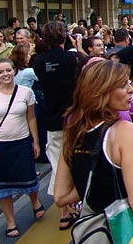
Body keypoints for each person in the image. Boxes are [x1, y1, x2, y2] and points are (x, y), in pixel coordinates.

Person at [54, 60, 133, 217]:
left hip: (91, 229)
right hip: (122, 228)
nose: (131, 89)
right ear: (101, 92)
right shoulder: (124, 131)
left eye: (128, 83)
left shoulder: (73, 129)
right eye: (122, 85)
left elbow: (61, 196)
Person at [32, 20, 81, 230]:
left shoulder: (38, 62)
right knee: (76, 162)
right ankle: (77, 204)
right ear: (64, 36)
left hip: (52, 120)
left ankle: (63, 213)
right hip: (74, 118)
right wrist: (78, 48)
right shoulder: (71, 59)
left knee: (57, 164)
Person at [0, 59, 44, 238]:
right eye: (1, 72)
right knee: (2, 185)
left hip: (21, 142)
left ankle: (35, 202)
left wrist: (35, 142)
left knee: (29, 178)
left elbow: (31, 119)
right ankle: (10, 221)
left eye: (8, 70)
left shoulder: (26, 92)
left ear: (14, 71)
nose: (5, 74)